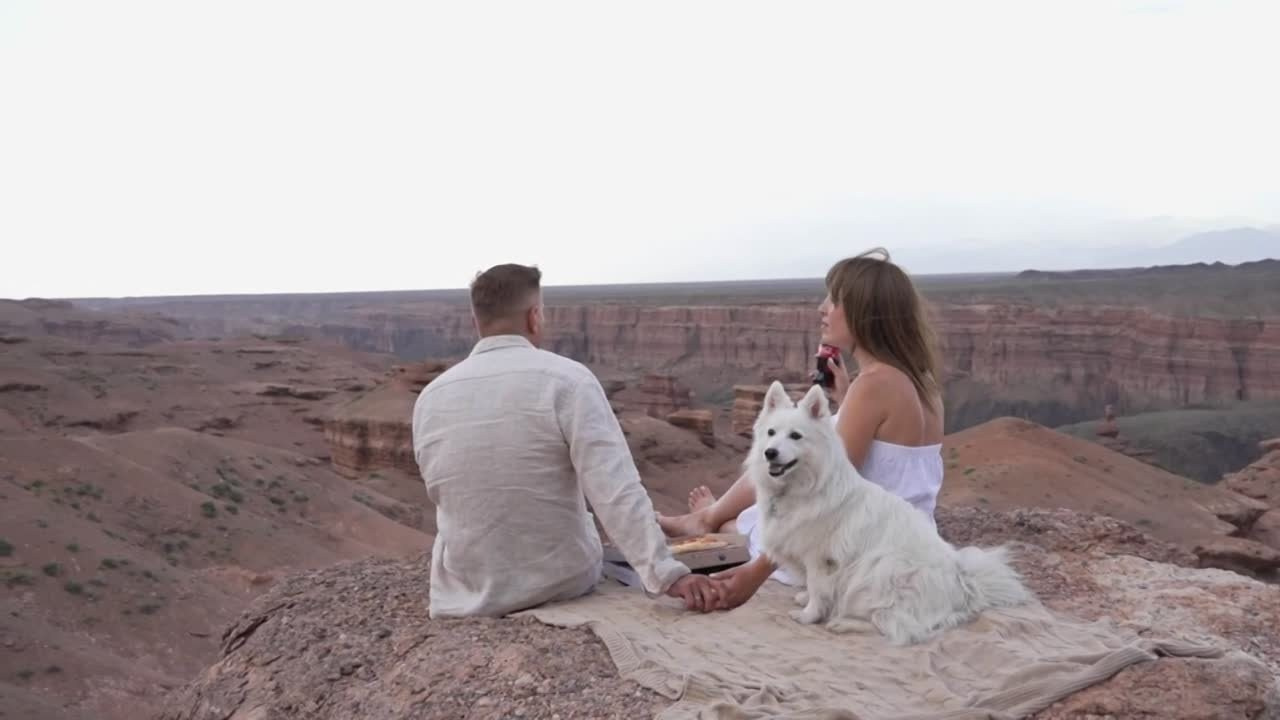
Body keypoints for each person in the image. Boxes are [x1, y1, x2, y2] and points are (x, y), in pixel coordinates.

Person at [412, 263, 720, 618]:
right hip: (557, 581)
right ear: (534, 317)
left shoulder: (430, 398)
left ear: (475, 323)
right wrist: (668, 576)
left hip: (462, 588)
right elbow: (614, 489)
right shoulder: (568, 381)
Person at [658, 247, 946, 609]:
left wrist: (754, 573)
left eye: (834, 299)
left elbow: (826, 500)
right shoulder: (921, 382)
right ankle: (715, 518)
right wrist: (846, 402)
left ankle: (718, 521)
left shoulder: (875, 385)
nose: (822, 309)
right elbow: (896, 467)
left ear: (864, 314)